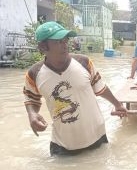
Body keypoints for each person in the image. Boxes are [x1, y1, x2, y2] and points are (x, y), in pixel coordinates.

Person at [23, 21, 127, 156]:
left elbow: (101, 88)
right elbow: (31, 99)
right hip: (63, 146)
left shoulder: (84, 62)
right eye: (58, 42)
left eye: (65, 40)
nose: (65, 45)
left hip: (96, 137)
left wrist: (117, 104)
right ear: (43, 47)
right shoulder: (34, 74)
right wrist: (32, 114)